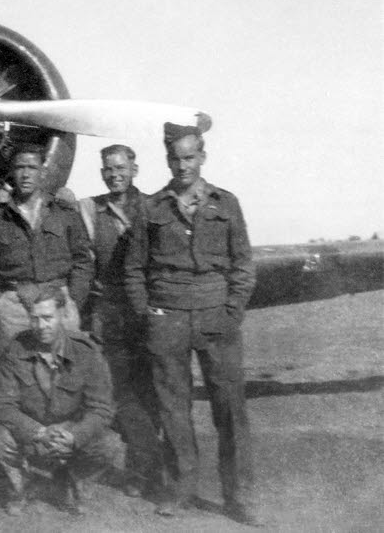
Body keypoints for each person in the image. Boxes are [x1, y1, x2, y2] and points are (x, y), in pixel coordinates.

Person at [124, 123, 257, 524]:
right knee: (173, 409)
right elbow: (134, 268)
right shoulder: (151, 208)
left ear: (202, 157)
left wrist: (232, 310)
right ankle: (181, 489)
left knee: (230, 407)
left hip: (216, 315)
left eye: (189, 157)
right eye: (174, 158)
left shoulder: (226, 203)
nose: (182, 166)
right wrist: (149, 313)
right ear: (166, 159)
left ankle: (240, 497)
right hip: (168, 316)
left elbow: (243, 265)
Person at [0, 284, 120, 516]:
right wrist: (37, 431)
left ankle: (74, 483)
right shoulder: (16, 349)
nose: (41, 326)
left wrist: (74, 435)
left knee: (110, 443)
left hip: (70, 432)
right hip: (32, 432)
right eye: (34, 319)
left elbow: (101, 408)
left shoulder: (85, 352)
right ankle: (23, 487)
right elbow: (1, 405)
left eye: (48, 318)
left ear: (62, 314)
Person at [74, 144, 162, 497]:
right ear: (101, 173)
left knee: (153, 391)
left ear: (135, 169)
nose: (115, 174)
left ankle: (149, 468)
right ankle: (142, 471)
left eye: (121, 167)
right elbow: (62, 204)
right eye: (108, 169)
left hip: (148, 311)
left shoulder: (154, 207)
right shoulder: (90, 208)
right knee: (120, 392)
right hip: (108, 313)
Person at [0, 144, 94, 355]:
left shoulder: (63, 213)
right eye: (20, 167)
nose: (26, 174)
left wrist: (74, 298)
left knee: (63, 369)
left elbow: (82, 260)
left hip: (59, 303)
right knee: (17, 368)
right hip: (15, 307)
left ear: (43, 172)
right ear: (11, 172)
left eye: (32, 167)